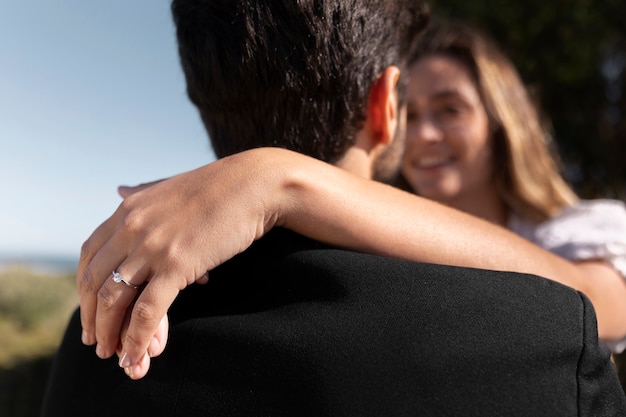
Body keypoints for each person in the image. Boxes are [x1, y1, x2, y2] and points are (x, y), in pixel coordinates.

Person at [42, 3, 626, 416]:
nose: (424, 134)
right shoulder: (384, 273)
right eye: (413, 110)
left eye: (450, 110)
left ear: (505, 121)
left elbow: (587, 303)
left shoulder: (588, 230)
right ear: (386, 112)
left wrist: (278, 178)